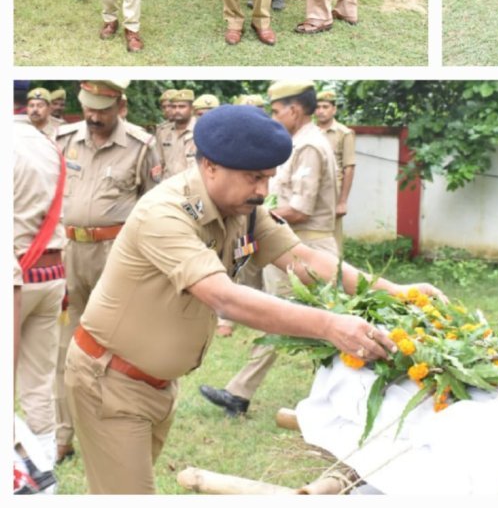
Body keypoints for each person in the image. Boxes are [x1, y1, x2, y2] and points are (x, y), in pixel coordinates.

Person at [64, 104, 443, 493]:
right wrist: (330, 326)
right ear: (210, 165)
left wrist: (398, 293)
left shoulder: (241, 208)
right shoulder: (164, 213)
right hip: (110, 382)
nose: (263, 190)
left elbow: (305, 259)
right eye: (254, 178)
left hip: (155, 385)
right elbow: (224, 298)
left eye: (269, 178)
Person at [199, 81, 341, 416]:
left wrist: (252, 214)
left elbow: (300, 207)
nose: (274, 119)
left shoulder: (307, 146)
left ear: (294, 110)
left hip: (302, 242)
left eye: (276, 112)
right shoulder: (302, 142)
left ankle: (240, 392)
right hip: (293, 240)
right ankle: (326, 399)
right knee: (302, 322)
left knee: (282, 318)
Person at [54, 80, 161, 464]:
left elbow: (155, 209)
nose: (93, 115)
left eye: (102, 108)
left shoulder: (142, 146)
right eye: (88, 106)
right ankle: (61, 436)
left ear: (122, 106)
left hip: (117, 255)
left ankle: (117, 432)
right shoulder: (64, 139)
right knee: (65, 347)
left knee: (118, 346)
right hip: (68, 253)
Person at [14, 121, 66, 467]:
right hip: (51, 272)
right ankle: (43, 466)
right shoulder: (46, 144)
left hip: (14, 272)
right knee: (39, 383)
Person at [315, 89, 356, 254]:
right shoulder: (310, 132)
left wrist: (342, 201)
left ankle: (335, 273)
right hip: (312, 188)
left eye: (325, 107)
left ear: (334, 109)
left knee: (332, 235)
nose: (321, 111)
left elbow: (349, 167)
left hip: (333, 190)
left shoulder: (344, 133)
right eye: (318, 107)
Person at [155, 88, 196, 178]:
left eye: (182, 107)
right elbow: (158, 162)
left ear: (192, 109)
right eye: (174, 107)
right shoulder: (163, 131)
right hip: (168, 186)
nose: (177, 110)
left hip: (192, 186)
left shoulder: (201, 130)